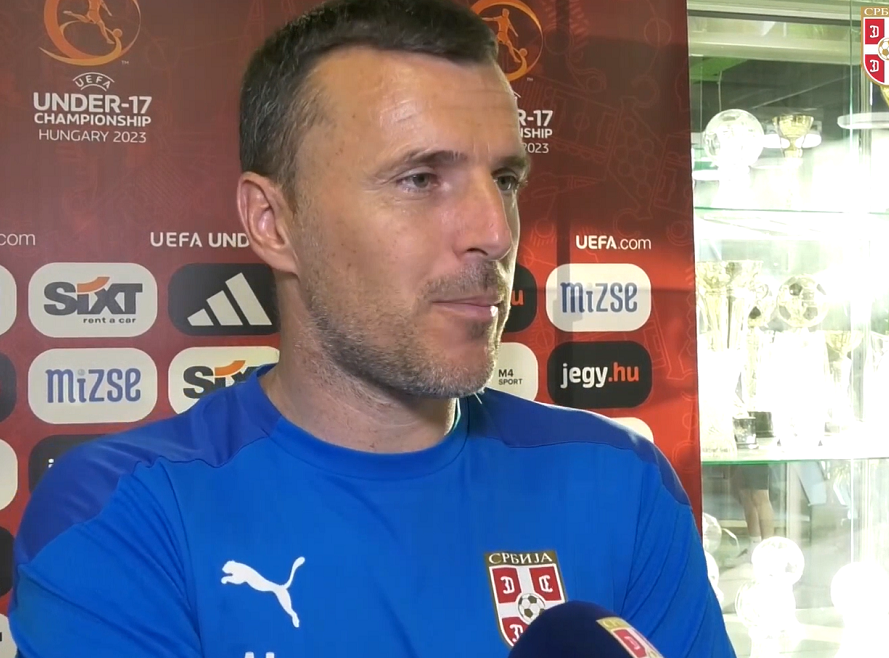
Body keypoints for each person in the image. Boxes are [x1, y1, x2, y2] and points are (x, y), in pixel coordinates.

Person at [9, 0, 736, 656]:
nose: (494, 232)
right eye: (420, 179)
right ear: (273, 222)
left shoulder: (620, 483)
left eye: (505, 180)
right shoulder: (123, 516)